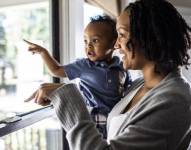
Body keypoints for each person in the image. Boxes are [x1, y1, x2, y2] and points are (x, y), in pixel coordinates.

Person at [25, 0, 191, 149]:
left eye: (122, 34)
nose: (116, 44)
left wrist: (68, 95)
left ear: (151, 37)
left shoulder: (173, 99)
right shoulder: (139, 85)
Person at [24, 15, 132, 138]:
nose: (88, 46)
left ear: (114, 43)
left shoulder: (121, 66)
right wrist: (44, 52)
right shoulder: (84, 65)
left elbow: (128, 92)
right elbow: (57, 70)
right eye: (86, 41)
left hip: (116, 120)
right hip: (93, 119)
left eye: (95, 40)